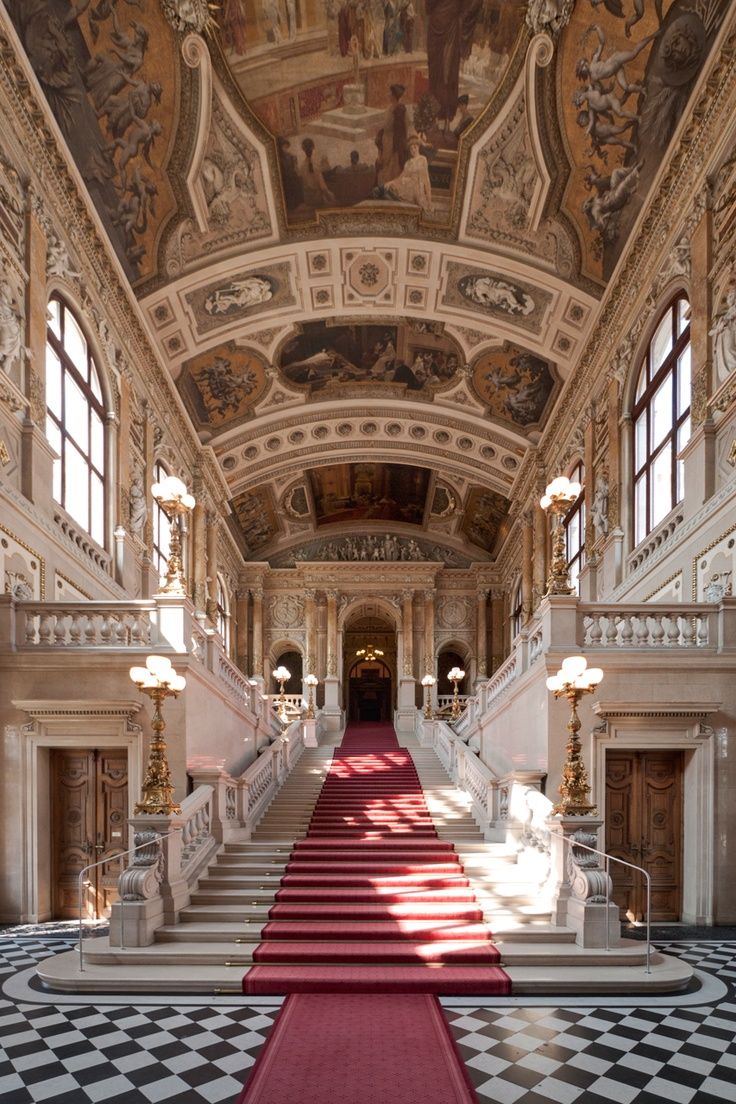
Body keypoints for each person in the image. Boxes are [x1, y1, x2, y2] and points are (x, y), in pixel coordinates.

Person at [374, 134, 433, 212]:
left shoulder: (422, 159)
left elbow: (426, 180)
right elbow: (401, 177)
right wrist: (390, 182)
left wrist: (429, 200)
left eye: (415, 147)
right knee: (387, 187)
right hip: (404, 185)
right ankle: (379, 191)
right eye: (411, 149)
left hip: (415, 188)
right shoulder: (408, 163)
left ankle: (383, 193)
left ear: (418, 147)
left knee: (390, 191)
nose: (413, 150)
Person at [376, 83, 409, 184]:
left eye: (390, 93)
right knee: (384, 165)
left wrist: (396, 148)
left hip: (393, 143)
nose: (388, 94)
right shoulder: (390, 107)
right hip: (386, 141)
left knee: (391, 168)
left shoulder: (399, 110)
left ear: (394, 96)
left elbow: (400, 132)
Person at [298, 138, 335, 207]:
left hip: (307, 200)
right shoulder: (316, 167)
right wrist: (332, 197)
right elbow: (324, 188)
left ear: (303, 150)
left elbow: (302, 185)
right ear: (313, 148)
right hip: (317, 200)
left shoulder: (301, 167)